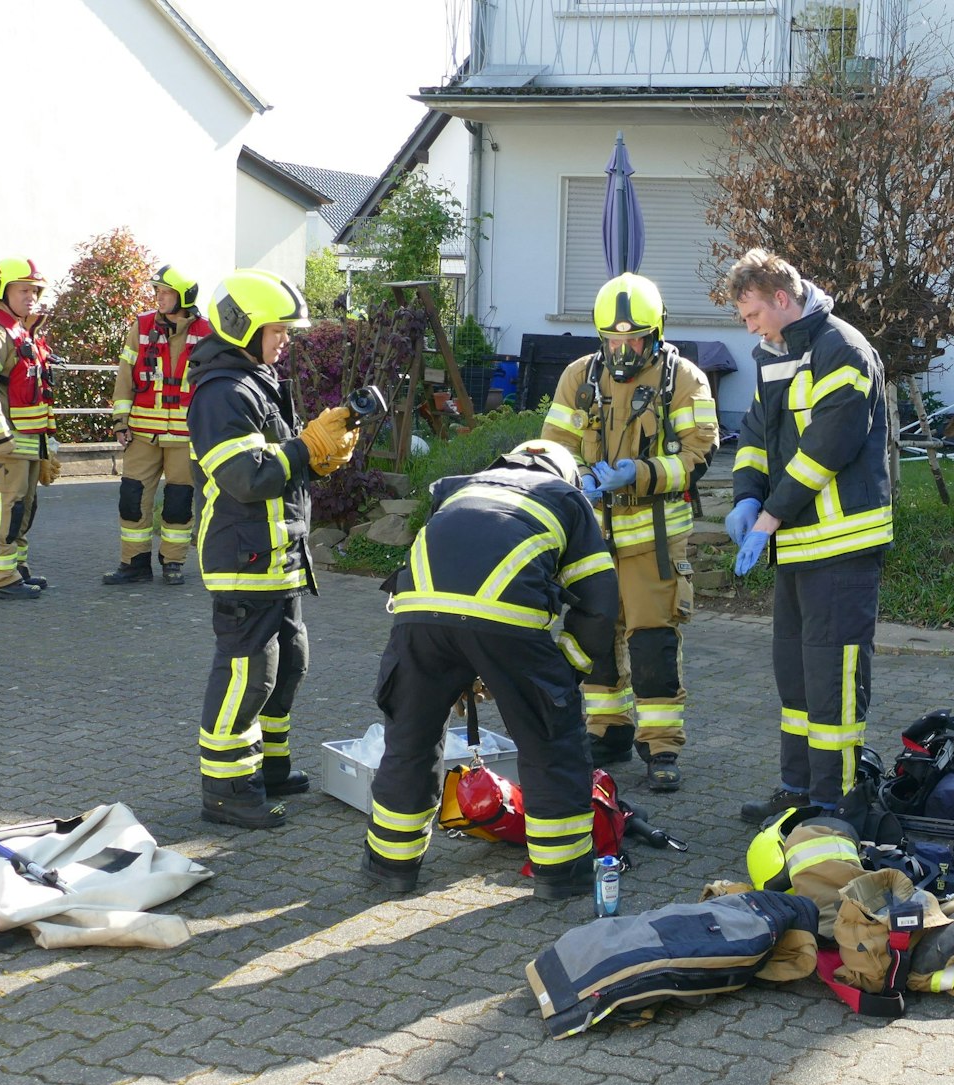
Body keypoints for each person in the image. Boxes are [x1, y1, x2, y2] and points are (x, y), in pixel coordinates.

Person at [361, 439, 617, 896]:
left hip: (416, 620)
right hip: (506, 621)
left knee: (410, 740)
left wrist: (458, 665)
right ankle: (561, 875)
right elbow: (597, 604)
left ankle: (389, 866)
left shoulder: (457, 490)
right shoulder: (567, 499)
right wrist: (563, 677)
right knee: (550, 742)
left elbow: (445, 571)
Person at [724, 249, 893, 823]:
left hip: (842, 547)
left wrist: (768, 515)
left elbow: (829, 444)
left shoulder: (841, 349)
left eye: (751, 315)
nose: (748, 327)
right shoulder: (775, 352)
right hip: (798, 548)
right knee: (796, 678)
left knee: (834, 682)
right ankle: (798, 791)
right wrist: (746, 493)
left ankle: (837, 803)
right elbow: (755, 431)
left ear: (781, 298)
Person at [187, 268, 358, 829]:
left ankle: (270, 768)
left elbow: (279, 464)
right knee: (247, 673)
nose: (285, 339)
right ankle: (227, 790)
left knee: (289, 666)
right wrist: (305, 450)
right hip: (243, 559)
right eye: (276, 329)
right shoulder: (222, 394)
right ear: (242, 327)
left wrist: (316, 453)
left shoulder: (256, 379)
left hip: (278, 557)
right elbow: (246, 477)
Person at [538, 272, 718, 793]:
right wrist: (573, 477)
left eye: (633, 339)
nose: (622, 350)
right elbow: (554, 446)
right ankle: (607, 732)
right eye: (613, 340)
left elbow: (698, 457)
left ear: (656, 333)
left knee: (652, 643)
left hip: (654, 542)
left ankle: (661, 748)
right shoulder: (579, 376)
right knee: (594, 637)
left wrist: (637, 475)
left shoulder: (684, 379)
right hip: (590, 538)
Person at [104, 264, 209, 586]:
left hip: (184, 437)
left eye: (165, 293)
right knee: (132, 500)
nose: (158, 298)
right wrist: (121, 421)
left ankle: (173, 563)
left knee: (178, 504)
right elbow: (124, 375)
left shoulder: (208, 333)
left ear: (183, 297)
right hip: (141, 435)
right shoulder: (141, 326)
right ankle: (133, 564)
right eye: (157, 292)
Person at [0, 259, 59, 600]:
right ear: (3, 290)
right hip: (3, 443)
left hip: (26, 441)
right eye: (23, 290)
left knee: (21, 508)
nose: (31, 296)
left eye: (35, 290)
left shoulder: (18, 328)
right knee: (2, 509)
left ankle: (15, 569)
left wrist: (47, 442)